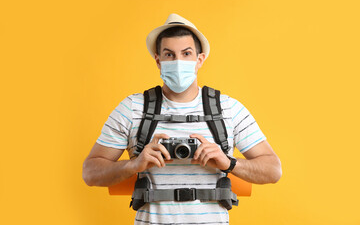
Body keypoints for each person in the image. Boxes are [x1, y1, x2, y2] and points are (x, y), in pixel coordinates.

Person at [82, 13, 282, 224]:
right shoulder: (133, 108)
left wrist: (227, 162)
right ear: (158, 61)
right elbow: (90, 173)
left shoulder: (228, 109)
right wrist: (134, 165)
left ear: (199, 59)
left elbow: (273, 170)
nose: (178, 62)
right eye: (169, 55)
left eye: (186, 53)